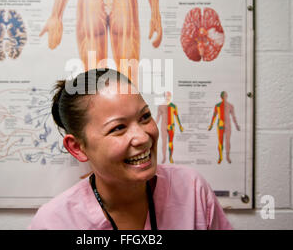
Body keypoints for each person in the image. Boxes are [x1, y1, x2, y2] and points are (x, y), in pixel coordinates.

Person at [29, 69, 232, 230]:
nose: (143, 138)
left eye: (144, 117)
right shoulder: (54, 223)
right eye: (118, 128)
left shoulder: (192, 190)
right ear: (77, 148)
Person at [208, 91, 240, 164]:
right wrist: (211, 125)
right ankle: (220, 157)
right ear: (221, 97)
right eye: (224, 95)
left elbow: (233, 116)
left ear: (227, 96)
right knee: (220, 141)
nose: (225, 97)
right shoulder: (217, 105)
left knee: (228, 141)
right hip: (220, 124)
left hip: (228, 124)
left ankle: (227, 157)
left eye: (226, 95)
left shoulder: (230, 105)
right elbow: (214, 116)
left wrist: (236, 125)